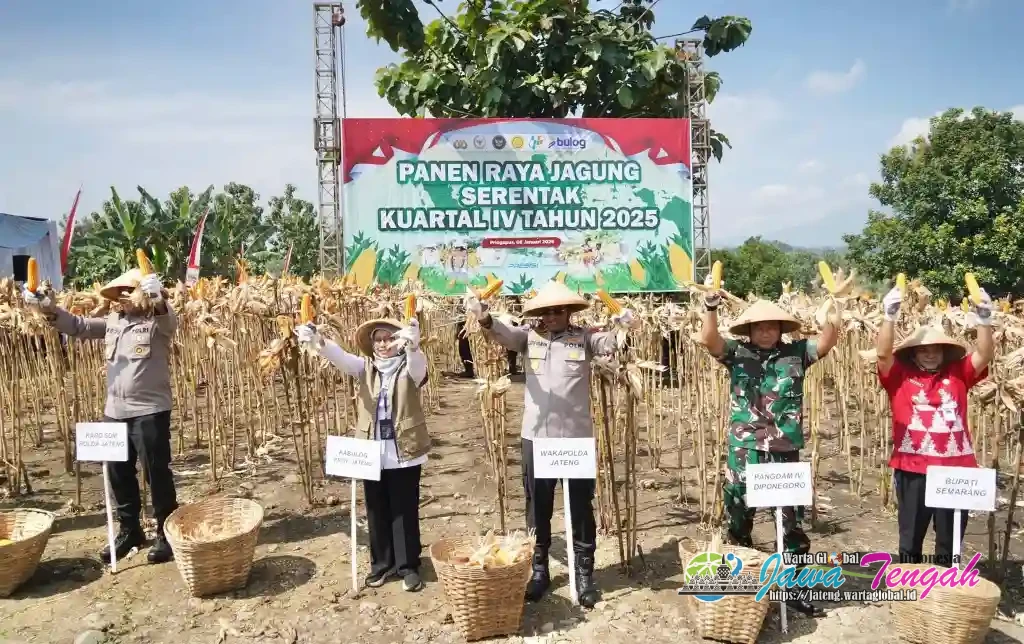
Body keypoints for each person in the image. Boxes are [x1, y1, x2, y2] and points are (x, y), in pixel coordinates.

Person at [464, 281, 634, 609]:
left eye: (560, 310)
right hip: (537, 439)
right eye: (548, 310)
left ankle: (584, 573)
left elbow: (610, 344)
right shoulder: (529, 337)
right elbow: (501, 333)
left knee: (581, 508)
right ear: (540, 313)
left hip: (575, 438)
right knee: (537, 506)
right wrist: (484, 317)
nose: (554, 315)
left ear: (569, 312)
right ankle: (538, 570)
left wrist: (625, 324)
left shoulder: (583, 338)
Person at [698, 291, 840, 617]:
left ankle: (792, 588)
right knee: (738, 513)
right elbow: (709, 339)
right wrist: (709, 306)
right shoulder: (737, 353)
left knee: (789, 521)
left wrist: (834, 310)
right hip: (744, 447)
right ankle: (740, 582)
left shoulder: (797, 353)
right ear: (749, 330)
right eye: (759, 327)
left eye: (771, 327)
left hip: (783, 449)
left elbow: (827, 341)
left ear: (780, 329)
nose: (765, 332)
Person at [23, 269, 179, 564]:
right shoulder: (113, 322)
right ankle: (129, 529)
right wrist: (48, 308)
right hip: (114, 412)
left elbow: (169, 320)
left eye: (127, 291)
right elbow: (78, 326)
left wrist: (158, 299)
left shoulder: (157, 322)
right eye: (118, 293)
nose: (121, 298)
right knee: (118, 474)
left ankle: (166, 531)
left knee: (156, 473)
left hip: (150, 410)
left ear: (143, 293)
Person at [295, 315, 428, 591]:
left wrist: (414, 346)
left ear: (400, 340)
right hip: (372, 450)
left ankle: (408, 566)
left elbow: (418, 366)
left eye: (390, 338)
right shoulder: (365, 367)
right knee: (376, 509)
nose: (383, 344)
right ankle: (382, 564)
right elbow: (341, 357)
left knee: (404, 509)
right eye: (378, 340)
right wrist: (318, 341)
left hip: (404, 449)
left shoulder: (409, 367)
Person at [875, 286, 993, 567]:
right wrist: (889, 316)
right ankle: (908, 587)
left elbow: (984, 355)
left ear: (944, 353)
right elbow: (882, 355)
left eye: (935, 351)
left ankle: (944, 593)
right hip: (913, 467)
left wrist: (985, 320)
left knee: (949, 540)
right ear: (914, 355)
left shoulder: (958, 374)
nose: (930, 355)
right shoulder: (900, 377)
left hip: (956, 468)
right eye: (923, 351)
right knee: (911, 536)